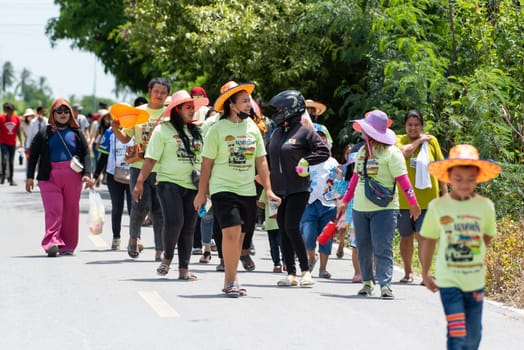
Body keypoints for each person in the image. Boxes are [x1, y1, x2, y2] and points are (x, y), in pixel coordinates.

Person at [193, 81, 279, 297]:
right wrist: (202, 193)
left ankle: (229, 277)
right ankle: (232, 280)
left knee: (241, 238)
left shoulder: (253, 128)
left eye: (249, 101)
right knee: (230, 233)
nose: (249, 105)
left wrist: (267, 190)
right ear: (232, 105)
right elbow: (206, 164)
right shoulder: (217, 129)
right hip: (223, 188)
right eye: (244, 101)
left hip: (247, 191)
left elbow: (261, 162)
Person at [419, 144, 501, 350]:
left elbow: (487, 236)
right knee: (457, 333)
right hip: (449, 281)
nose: (465, 184)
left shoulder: (485, 207)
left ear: (477, 178)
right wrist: (426, 273)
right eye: (458, 179)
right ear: (448, 177)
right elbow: (428, 239)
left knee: (473, 336)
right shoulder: (438, 206)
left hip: (475, 281)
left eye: (470, 179)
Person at [338, 110, 421, 299]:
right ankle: (367, 283)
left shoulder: (393, 154)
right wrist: (345, 201)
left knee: (383, 247)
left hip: (385, 209)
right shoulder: (361, 152)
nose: (363, 133)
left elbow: (403, 181)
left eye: (365, 130)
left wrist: (413, 203)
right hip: (360, 208)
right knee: (364, 246)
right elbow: (355, 180)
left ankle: (385, 284)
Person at [135, 90, 204, 280]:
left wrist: (206, 186)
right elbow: (150, 159)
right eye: (188, 107)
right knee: (174, 221)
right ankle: (167, 257)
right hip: (168, 183)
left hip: (193, 185)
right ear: (177, 109)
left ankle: (184, 269)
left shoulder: (197, 131)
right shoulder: (163, 130)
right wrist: (140, 182)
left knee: (189, 227)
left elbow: (205, 159)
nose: (192, 111)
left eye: (193, 107)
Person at [267, 90, 330, 287]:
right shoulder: (276, 133)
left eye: (280, 109)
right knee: (283, 230)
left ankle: (306, 270)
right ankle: (291, 274)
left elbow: (323, 151)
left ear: (290, 108)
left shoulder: (304, 132)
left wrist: (306, 160)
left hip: (298, 188)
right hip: (279, 190)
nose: (277, 112)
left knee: (291, 227)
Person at [26, 98, 94, 257]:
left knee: (70, 211)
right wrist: (30, 177)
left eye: (66, 112)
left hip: (73, 177)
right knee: (54, 211)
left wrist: (87, 175)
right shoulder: (44, 132)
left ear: (70, 113)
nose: (63, 115)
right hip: (49, 177)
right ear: (52, 114)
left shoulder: (76, 132)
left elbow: (86, 154)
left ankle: (68, 246)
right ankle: (52, 243)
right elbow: (34, 154)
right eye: (59, 111)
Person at [112, 77, 170, 261]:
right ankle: (133, 238)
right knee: (140, 206)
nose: (159, 95)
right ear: (149, 92)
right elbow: (124, 138)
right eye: (156, 91)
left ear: (167, 95)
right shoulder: (138, 112)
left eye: (163, 92)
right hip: (138, 167)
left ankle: (160, 249)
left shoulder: (170, 114)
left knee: (160, 209)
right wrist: (114, 128)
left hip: (162, 168)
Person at [396, 110, 448, 283]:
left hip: (428, 200)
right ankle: (408, 271)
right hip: (404, 200)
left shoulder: (432, 141)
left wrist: (445, 193)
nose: (413, 128)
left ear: (422, 126)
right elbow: (403, 153)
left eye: (416, 125)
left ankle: (425, 273)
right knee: (406, 236)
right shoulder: (398, 140)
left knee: (424, 237)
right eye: (410, 124)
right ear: (405, 126)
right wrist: (419, 140)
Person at [93, 104, 138, 250]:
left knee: (134, 207)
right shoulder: (109, 133)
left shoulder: (137, 131)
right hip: (114, 175)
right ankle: (116, 237)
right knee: (117, 207)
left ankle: (136, 238)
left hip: (133, 175)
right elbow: (103, 156)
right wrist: (95, 176)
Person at [300, 123, 339, 279]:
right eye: (316, 138)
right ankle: (311, 257)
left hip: (328, 204)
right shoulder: (306, 160)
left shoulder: (333, 162)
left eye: (322, 138)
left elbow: (339, 182)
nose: (320, 141)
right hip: (309, 202)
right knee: (307, 234)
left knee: (326, 236)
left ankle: (323, 268)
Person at [0, 102, 22, 185]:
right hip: (3, 143)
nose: (10, 113)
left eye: (12, 111)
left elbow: (18, 130)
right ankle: (2, 177)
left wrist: (20, 141)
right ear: (6, 110)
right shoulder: (1, 118)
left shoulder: (16, 118)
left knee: (11, 161)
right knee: (4, 159)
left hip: (12, 143)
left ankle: (11, 179)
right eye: (8, 111)